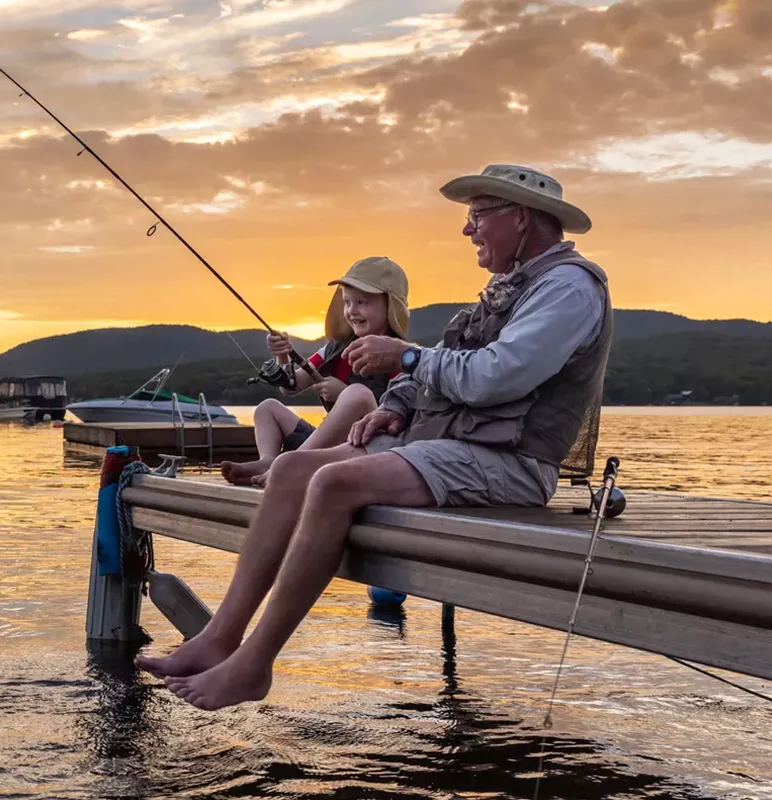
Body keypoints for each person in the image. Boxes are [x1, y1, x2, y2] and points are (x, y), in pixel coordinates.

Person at [136, 164, 614, 711]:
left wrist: (407, 355)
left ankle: (254, 664)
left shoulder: (569, 288)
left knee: (335, 482)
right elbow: (440, 372)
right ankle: (220, 637)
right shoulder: (511, 287)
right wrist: (394, 407)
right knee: (291, 470)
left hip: (512, 463)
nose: (468, 230)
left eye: (477, 216)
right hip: (452, 447)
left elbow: (496, 374)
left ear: (521, 218)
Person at [220, 256, 409, 487]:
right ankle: (269, 461)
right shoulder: (334, 349)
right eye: (347, 302)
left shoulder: (401, 356)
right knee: (267, 408)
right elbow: (290, 387)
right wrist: (283, 355)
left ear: (391, 307)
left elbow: (399, 415)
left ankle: (289, 465)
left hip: (365, 447)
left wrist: (344, 394)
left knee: (358, 394)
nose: (352, 311)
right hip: (320, 445)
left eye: (362, 303)